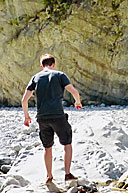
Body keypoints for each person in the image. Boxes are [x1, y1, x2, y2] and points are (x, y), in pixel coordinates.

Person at [21, 54, 82, 183]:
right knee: (67, 144)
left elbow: (24, 100)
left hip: (42, 117)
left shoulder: (35, 77)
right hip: (58, 115)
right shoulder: (60, 75)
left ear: (42, 66)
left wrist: (27, 117)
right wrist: (77, 102)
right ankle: (67, 174)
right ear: (53, 64)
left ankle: (49, 176)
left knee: (47, 147)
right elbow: (74, 91)